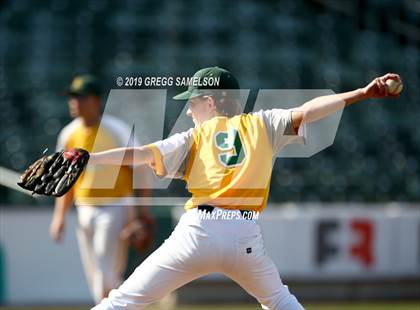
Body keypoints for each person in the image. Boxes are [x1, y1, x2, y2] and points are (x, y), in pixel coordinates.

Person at [87, 67, 401, 309]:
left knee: (122, 301)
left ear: (210, 101)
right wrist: (360, 92)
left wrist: (89, 158)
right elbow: (309, 111)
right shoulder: (262, 123)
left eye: (193, 102)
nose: (189, 111)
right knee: (279, 301)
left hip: (198, 232)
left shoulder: (194, 136)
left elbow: (142, 155)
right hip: (244, 234)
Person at [49, 75, 153, 304]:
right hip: (84, 208)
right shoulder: (68, 134)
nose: (75, 102)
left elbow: (141, 168)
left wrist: (141, 211)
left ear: (96, 101)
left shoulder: (115, 129)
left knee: (105, 274)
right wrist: (59, 216)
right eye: (73, 98)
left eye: (81, 97)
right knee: (96, 273)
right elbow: (65, 179)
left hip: (115, 207)